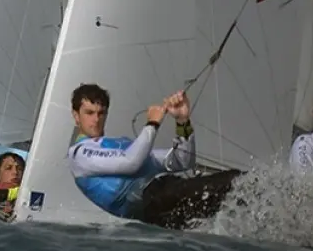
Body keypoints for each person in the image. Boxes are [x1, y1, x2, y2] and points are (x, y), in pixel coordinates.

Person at [68, 83, 241, 230]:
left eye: (101, 113)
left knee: (232, 196)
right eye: (89, 113)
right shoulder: (79, 154)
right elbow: (131, 163)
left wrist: (182, 122)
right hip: (155, 200)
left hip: (165, 204)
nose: (96, 119)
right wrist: (152, 123)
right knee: (235, 181)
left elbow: (182, 161)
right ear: (76, 116)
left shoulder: (122, 145)